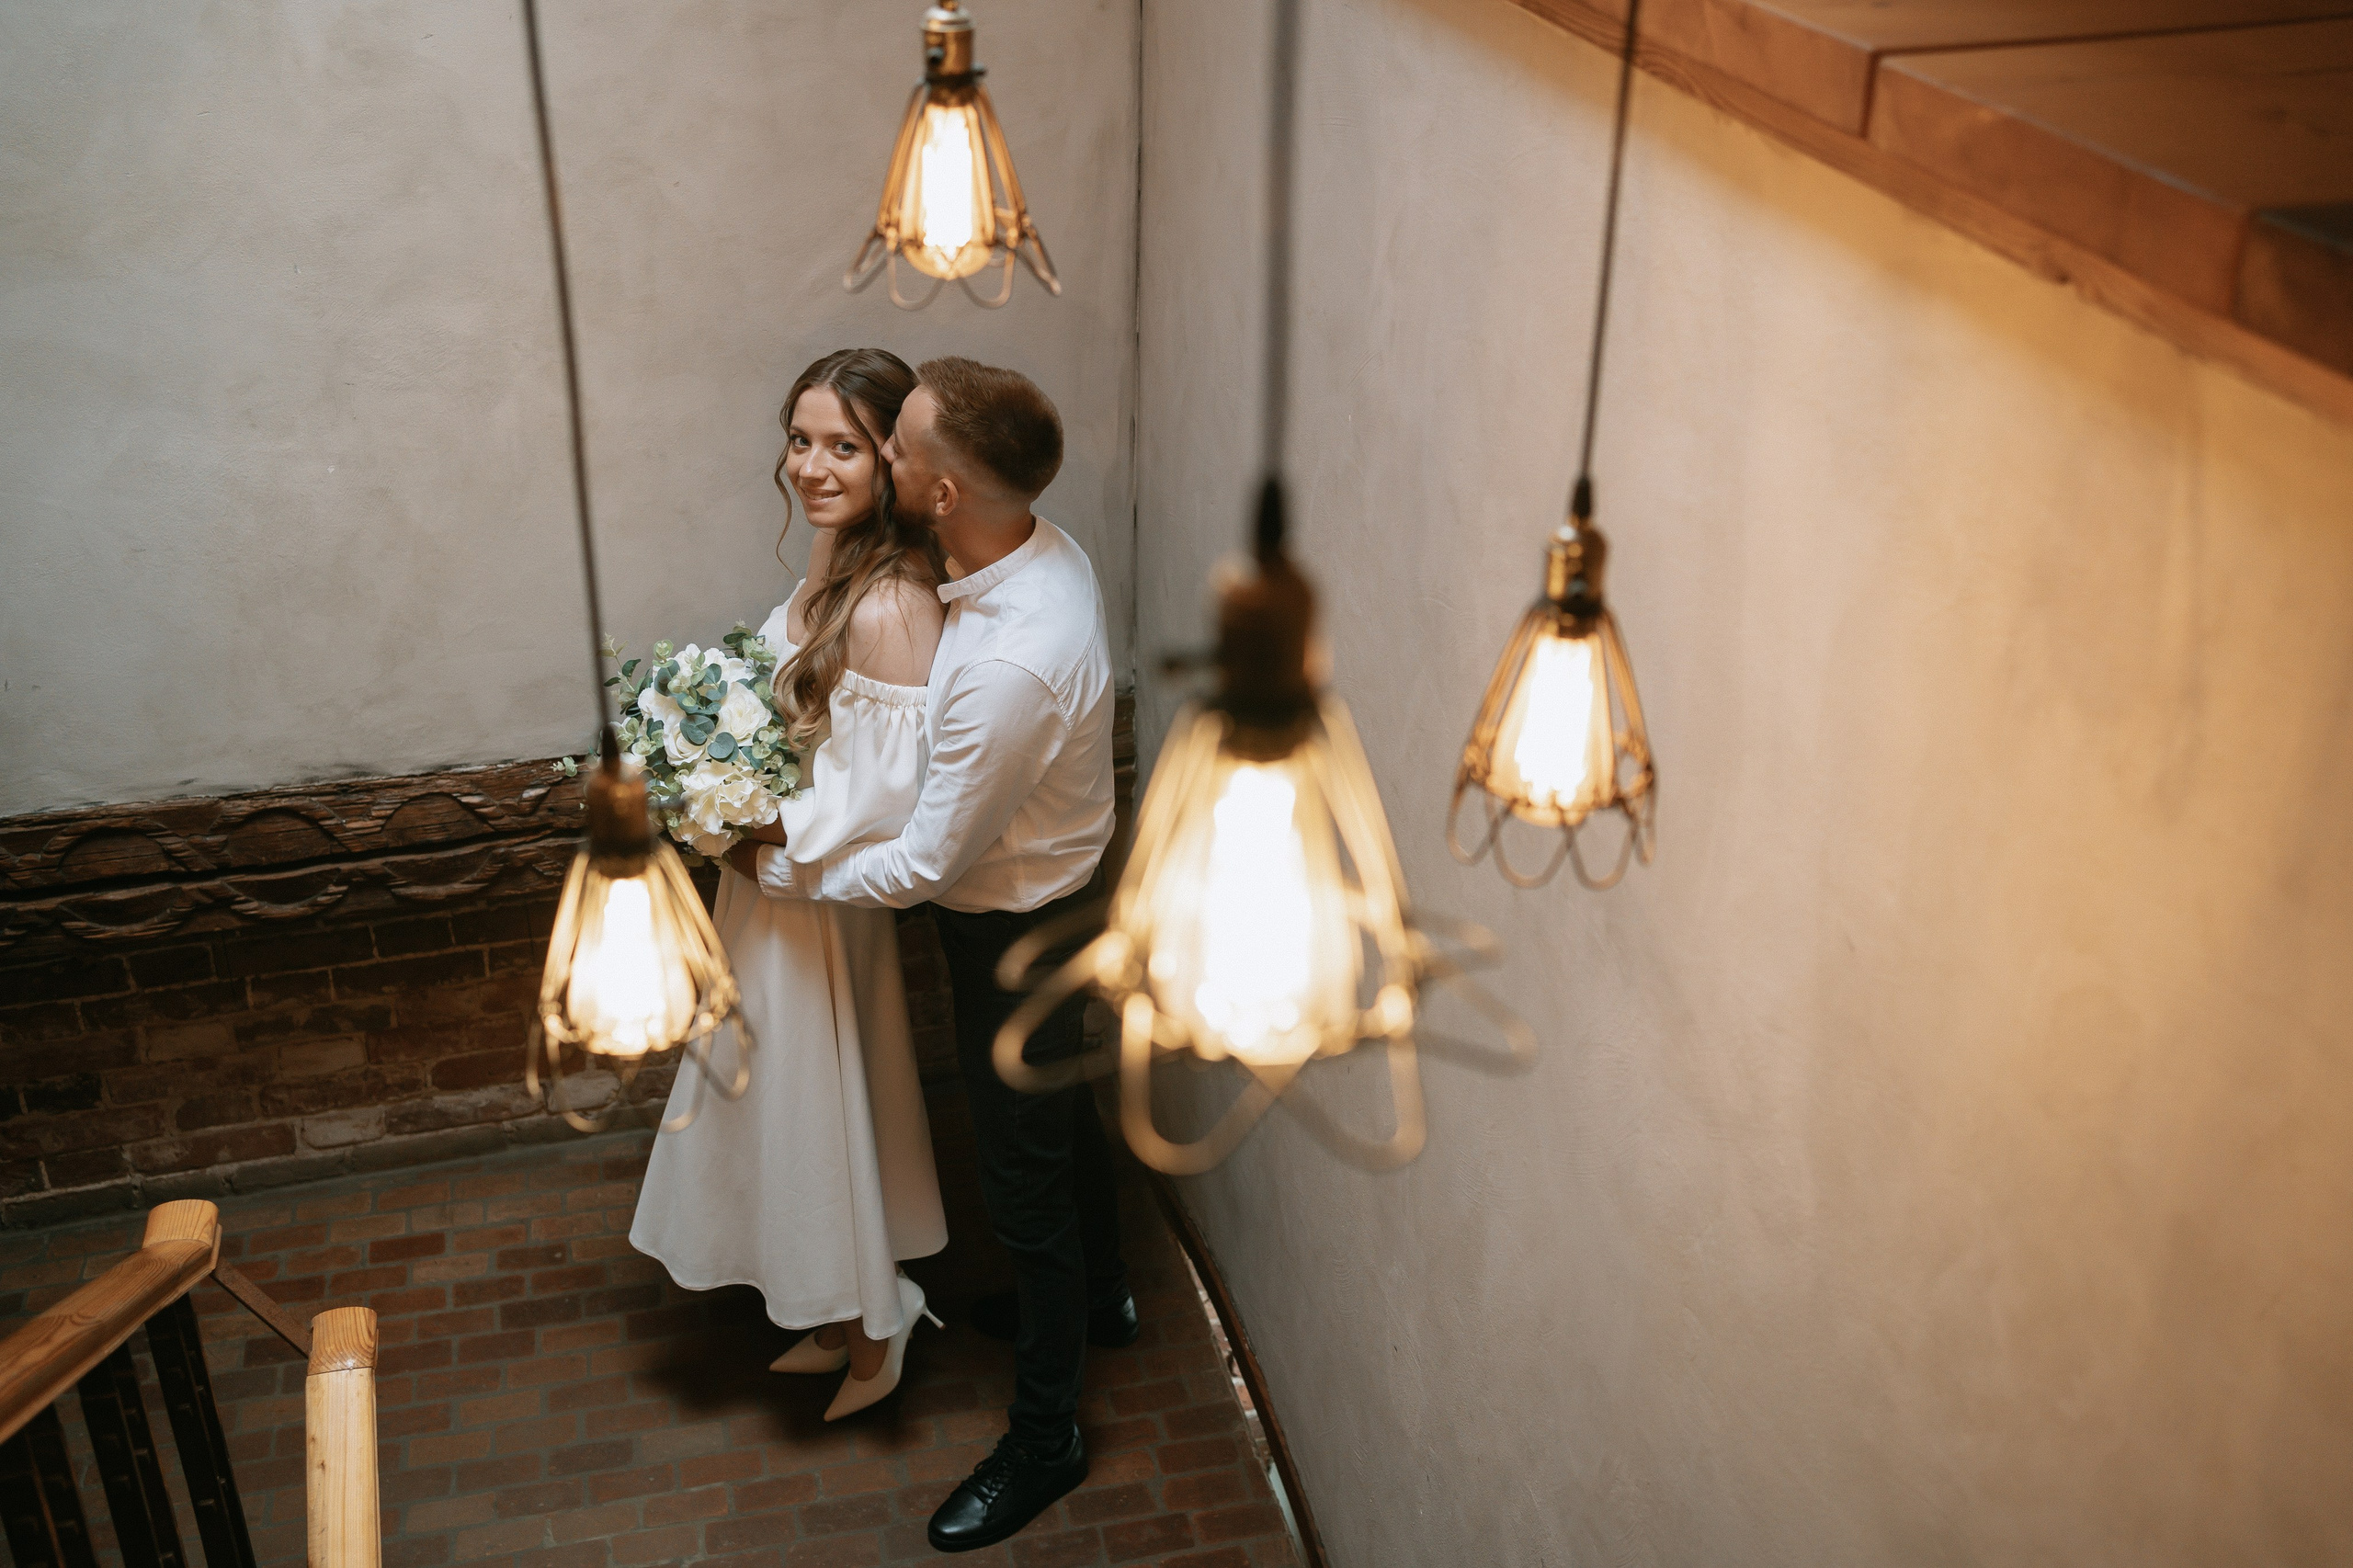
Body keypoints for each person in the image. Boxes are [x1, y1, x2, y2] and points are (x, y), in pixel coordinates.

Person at [731, 357, 1131, 1553]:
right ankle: (1105, 1294)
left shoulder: (1005, 664)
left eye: (890, 447)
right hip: (1055, 888)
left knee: (1021, 1183)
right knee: (1062, 1114)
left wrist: (777, 868)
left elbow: (923, 867)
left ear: (942, 490)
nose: (867, 460)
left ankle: (1048, 1434)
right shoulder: (1029, 543)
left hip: (1014, 926)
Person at [630, 347, 949, 1424]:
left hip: (810, 897)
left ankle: (874, 1321)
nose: (811, 465)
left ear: (893, 460)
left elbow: (885, 792)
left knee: (811, 1107)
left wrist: (728, 816)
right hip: (767, 889)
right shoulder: (830, 563)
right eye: (801, 438)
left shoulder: (892, 603)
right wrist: (697, 763)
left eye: (843, 446)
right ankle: (830, 1307)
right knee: (773, 1103)